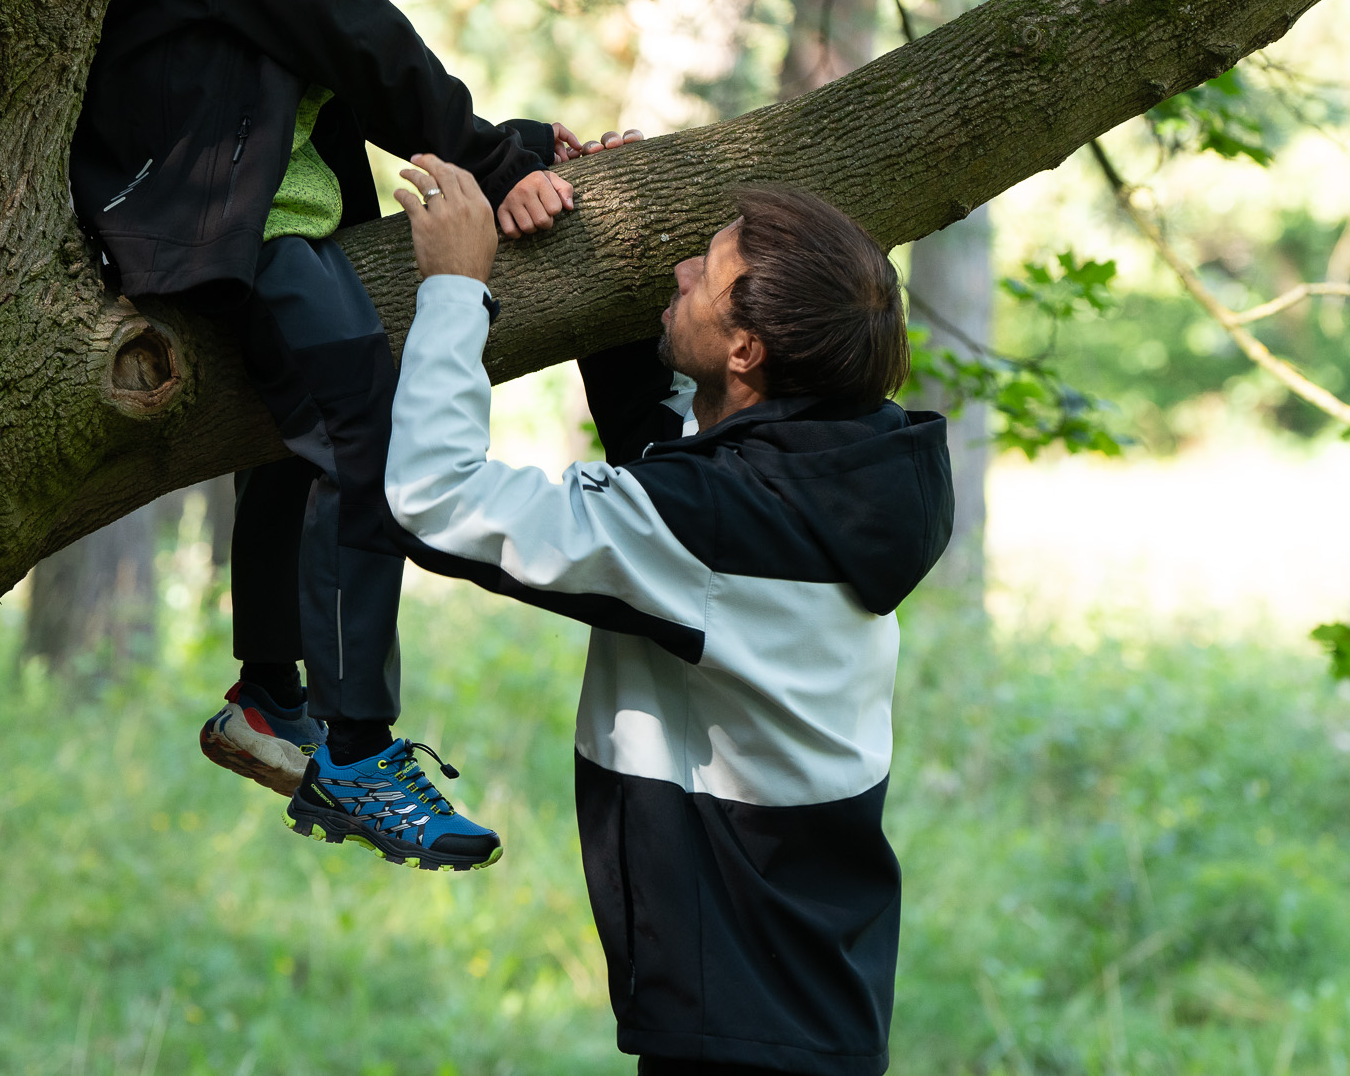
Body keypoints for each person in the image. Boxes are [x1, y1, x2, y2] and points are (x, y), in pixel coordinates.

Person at [70, 0, 596, 873]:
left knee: (289, 446)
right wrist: (490, 150)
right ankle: (358, 745)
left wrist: (507, 137)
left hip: (219, 213)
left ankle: (267, 696)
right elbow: (366, 50)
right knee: (369, 436)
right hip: (233, 224)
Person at [380, 154, 952, 1076]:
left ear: (746, 352)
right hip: (801, 996)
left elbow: (436, 496)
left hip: (744, 1022)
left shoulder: (719, 527)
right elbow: (673, 456)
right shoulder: (849, 471)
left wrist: (453, 286)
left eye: (705, 270)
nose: (682, 271)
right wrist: (608, 213)